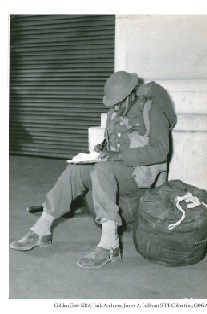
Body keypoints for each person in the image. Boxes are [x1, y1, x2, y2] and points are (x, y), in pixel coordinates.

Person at [10, 71, 177, 270]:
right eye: (112, 104)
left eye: (119, 103)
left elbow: (160, 151)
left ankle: (109, 244)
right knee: (75, 170)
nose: (115, 108)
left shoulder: (152, 111)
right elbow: (113, 142)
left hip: (140, 177)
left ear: (132, 95)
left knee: (101, 171)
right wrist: (102, 149)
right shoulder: (114, 113)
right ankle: (41, 229)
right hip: (116, 170)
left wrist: (119, 156)